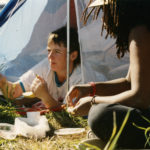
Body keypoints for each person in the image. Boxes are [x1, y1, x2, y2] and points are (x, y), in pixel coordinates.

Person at [66, 0, 150, 148]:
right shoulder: (141, 29)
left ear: (121, 8)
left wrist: (94, 101)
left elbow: (140, 97)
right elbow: (129, 83)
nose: (102, 18)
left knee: (100, 114)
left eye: (105, 10)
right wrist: (91, 88)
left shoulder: (140, 33)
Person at [0, 26, 82, 109]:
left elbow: (72, 112)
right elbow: (15, 91)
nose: (50, 56)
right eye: (49, 51)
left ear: (73, 56)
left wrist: (45, 97)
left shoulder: (80, 77)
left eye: (57, 51)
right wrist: (2, 82)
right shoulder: (47, 66)